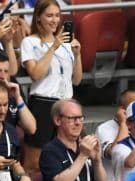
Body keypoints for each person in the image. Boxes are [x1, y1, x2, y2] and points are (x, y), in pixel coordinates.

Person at [20, 0, 83, 171]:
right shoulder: (30, 42)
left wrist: (77, 56)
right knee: (34, 163)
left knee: (67, 158)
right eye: (49, 15)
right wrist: (53, 47)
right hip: (43, 104)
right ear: (38, 18)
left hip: (67, 104)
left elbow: (76, 80)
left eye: (57, 15)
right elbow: (35, 74)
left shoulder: (67, 42)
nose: (54, 20)